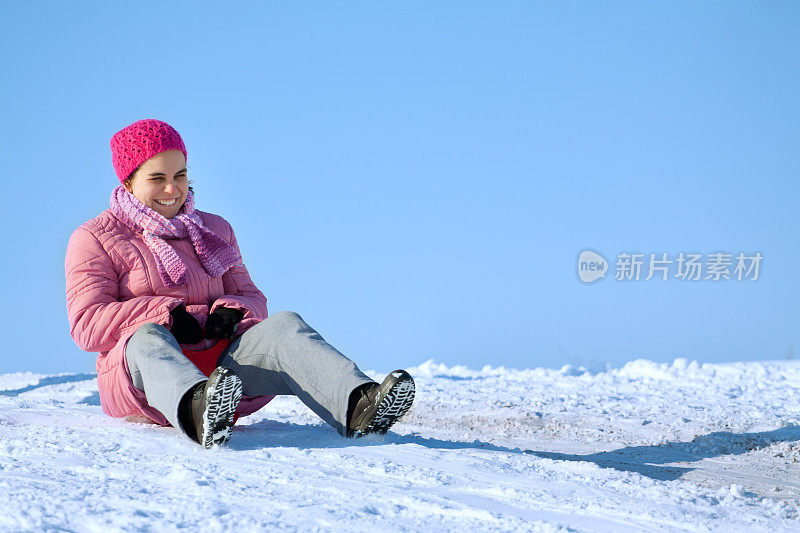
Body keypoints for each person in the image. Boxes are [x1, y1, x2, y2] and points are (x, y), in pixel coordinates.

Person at [65, 119, 415, 449]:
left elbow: (251, 296)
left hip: (224, 378)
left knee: (284, 325)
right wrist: (165, 315)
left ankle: (358, 405)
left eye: (180, 174)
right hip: (144, 381)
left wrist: (232, 311)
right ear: (128, 181)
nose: (172, 189)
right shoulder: (95, 237)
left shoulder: (214, 230)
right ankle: (197, 411)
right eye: (157, 178)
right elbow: (87, 322)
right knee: (145, 338)